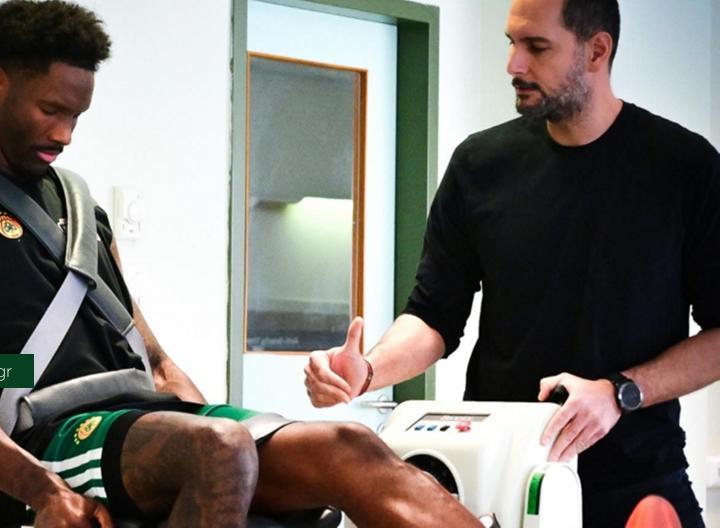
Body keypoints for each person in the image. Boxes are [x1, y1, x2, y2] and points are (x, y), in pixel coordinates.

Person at [0, 1, 485, 527]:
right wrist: (41, 489)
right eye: (50, 110)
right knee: (220, 449)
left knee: (349, 445)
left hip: (138, 421)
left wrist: (214, 429)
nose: (66, 134)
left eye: (77, 116)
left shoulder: (77, 205)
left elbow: (156, 361)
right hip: (40, 430)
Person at [305, 0, 720, 527]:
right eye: (512, 42)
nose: (513, 65)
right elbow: (433, 316)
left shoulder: (684, 168)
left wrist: (620, 392)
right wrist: (368, 371)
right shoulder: (479, 165)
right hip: (500, 483)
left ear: (597, 51)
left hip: (639, 486)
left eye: (537, 47)